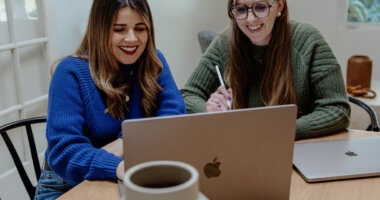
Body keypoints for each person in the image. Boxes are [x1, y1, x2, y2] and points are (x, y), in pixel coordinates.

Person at [34, 0, 186, 199]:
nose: (132, 39)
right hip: (66, 185)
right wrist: (118, 164)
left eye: (140, 29)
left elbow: (174, 119)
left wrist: (125, 143)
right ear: (100, 30)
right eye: (119, 29)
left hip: (130, 171)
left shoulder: (154, 62)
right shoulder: (70, 72)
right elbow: (65, 152)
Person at [181, 0, 350, 139]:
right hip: (239, 147)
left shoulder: (307, 39)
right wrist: (210, 112)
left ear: (280, 6)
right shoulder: (225, 42)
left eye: (261, 7)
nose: (251, 19)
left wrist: (278, 131)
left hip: (295, 148)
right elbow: (187, 96)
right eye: (241, 9)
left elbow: (337, 109)